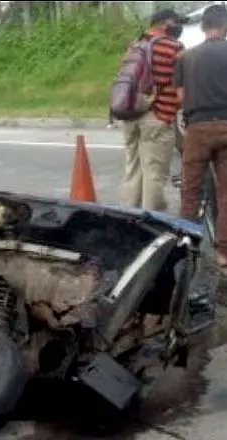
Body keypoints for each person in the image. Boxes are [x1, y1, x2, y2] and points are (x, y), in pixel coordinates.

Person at [175, 4, 227, 266]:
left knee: (191, 190)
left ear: (204, 27)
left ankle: (186, 246)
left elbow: (181, 97)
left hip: (196, 128)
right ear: (224, 26)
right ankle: (223, 253)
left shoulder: (185, 57)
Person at [120, 9, 186, 212]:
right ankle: (152, 224)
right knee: (154, 175)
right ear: (166, 23)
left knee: (133, 171)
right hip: (157, 117)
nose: (179, 27)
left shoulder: (135, 45)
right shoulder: (174, 46)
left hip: (131, 116)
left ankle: (128, 219)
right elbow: (183, 83)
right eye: (177, 23)